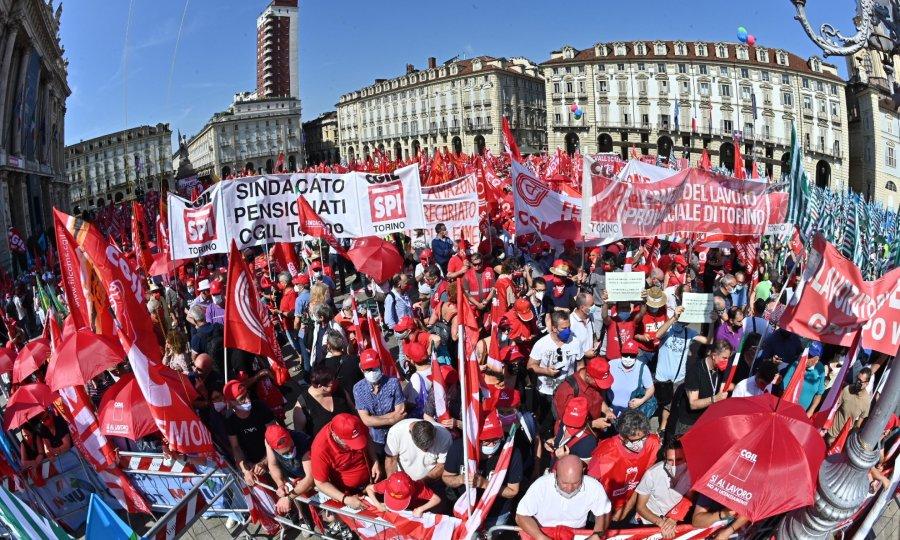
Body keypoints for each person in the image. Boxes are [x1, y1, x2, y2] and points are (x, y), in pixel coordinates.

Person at [444, 410, 523, 526]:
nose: (491, 445)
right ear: (475, 438)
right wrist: (461, 479)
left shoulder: (511, 453)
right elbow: (446, 477)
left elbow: (513, 491)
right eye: (486, 441)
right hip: (466, 511)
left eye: (495, 439)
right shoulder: (459, 448)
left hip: (495, 513)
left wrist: (485, 484)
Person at [587, 410, 661, 522]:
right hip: (605, 508)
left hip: (632, 501)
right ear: (622, 437)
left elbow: (645, 481)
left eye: (644, 437)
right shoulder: (604, 454)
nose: (642, 443)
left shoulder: (652, 444)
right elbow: (590, 489)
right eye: (636, 440)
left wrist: (627, 508)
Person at [516, 455, 611, 538]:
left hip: (575, 534)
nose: (569, 488)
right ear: (555, 475)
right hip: (543, 532)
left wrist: (596, 535)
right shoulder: (541, 485)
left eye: (576, 483)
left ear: (582, 474)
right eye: (564, 483)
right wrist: (541, 537)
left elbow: (604, 513)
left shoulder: (593, 486)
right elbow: (521, 516)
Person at [652, 305, 712, 432]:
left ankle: (663, 428)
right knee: (661, 403)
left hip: (678, 378)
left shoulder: (689, 333)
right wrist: (674, 317)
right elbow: (657, 335)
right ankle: (660, 426)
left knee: (670, 405)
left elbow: (708, 341)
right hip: (662, 377)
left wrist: (712, 323)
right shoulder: (668, 328)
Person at [311, 413, 381, 511]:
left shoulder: (355, 424)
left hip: (371, 480)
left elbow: (367, 439)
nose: (354, 447)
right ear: (335, 436)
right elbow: (320, 482)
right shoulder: (320, 448)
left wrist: (375, 460)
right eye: (349, 443)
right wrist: (346, 499)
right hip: (348, 493)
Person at [528, 312, 585, 429]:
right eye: (564, 328)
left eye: (569, 327)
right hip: (546, 392)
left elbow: (580, 365)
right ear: (554, 328)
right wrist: (546, 371)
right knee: (546, 423)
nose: (568, 331)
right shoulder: (541, 343)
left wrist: (579, 385)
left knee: (564, 422)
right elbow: (530, 366)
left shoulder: (575, 342)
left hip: (567, 391)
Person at [669, 340, 734, 439]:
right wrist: (715, 399)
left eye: (728, 358)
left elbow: (725, 385)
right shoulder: (695, 371)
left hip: (706, 419)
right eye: (724, 358)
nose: (726, 361)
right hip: (689, 422)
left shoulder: (720, 369)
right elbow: (693, 404)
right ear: (714, 355)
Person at [353, 349, 406, 457]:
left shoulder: (393, 383)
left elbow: (400, 412)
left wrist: (375, 418)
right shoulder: (358, 388)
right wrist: (392, 419)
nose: (372, 372)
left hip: (395, 434)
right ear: (361, 368)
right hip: (375, 439)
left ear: (380, 365)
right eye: (368, 369)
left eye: (375, 368)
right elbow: (366, 420)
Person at [635, 440, 693, 536]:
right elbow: (640, 507)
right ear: (665, 457)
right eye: (670, 460)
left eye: (679, 460)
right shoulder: (652, 474)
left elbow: (689, 499)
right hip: (647, 523)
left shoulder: (691, 473)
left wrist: (674, 517)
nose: (674, 465)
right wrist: (661, 523)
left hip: (674, 522)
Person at [223, 380, 276, 485]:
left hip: (273, 456)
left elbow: (274, 437)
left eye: (247, 394)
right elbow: (236, 447)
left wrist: (265, 461)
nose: (247, 400)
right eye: (241, 399)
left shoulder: (260, 407)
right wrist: (245, 469)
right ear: (231, 403)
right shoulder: (230, 420)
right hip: (252, 464)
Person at [551, 357, 614, 433]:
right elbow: (566, 422)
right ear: (587, 376)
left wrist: (607, 411)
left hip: (594, 433)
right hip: (574, 439)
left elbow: (599, 399)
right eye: (599, 383)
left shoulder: (594, 381)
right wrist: (593, 424)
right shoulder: (567, 390)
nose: (601, 386)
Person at [293, 363, 356, 435]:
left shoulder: (338, 390)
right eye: (332, 384)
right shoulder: (302, 406)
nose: (336, 383)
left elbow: (352, 408)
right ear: (320, 386)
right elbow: (300, 433)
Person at [265, 424, 314, 515]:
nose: (291, 452)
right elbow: (273, 465)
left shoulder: (302, 440)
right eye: (286, 452)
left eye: (291, 447)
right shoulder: (269, 443)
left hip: (313, 476)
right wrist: (280, 485)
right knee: (305, 508)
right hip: (296, 477)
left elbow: (310, 477)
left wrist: (289, 498)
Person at [385, 419, 451, 482]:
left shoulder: (444, 436)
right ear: (410, 434)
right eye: (422, 448)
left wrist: (420, 483)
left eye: (428, 447)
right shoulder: (396, 432)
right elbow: (391, 460)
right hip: (402, 482)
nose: (425, 451)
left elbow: (441, 465)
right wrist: (392, 483)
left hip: (430, 481)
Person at [826, 367, 873, 444]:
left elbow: (857, 426)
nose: (857, 382)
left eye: (861, 381)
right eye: (857, 379)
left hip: (842, 440)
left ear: (866, 384)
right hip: (830, 433)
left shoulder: (866, 402)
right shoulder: (847, 389)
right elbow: (834, 408)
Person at [779, 340, 827, 415]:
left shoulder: (820, 369)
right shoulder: (796, 364)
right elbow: (783, 388)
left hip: (803, 414)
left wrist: (811, 411)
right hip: (786, 409)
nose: (807, 357)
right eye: (807, 353)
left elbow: (819, 394)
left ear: (817, 359)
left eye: (811, 356)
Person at [607, 344, 656, 417]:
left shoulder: (642, 368)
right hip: (611, 409)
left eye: (632, 355)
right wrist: (605, 408)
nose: (628, 358)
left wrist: (641, 401)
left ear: (637, 355)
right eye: (625, 355)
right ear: (621, 353)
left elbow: (650, 388)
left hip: (631, 412)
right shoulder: (611, 364)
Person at [365, 471, 441, 517]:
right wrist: (378, 505)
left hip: (412, 509)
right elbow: (369, 488)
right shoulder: (386, 484)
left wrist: (420, 509)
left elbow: (436, 499)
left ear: (412, 491)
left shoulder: (418, 487)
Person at [548, 396, 598, 462]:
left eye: (576, 424)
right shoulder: (564, 421)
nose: (570, 428)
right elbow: (560, 438)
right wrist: (552, 440)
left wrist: (565, 459)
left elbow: (583, 467)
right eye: (569, 421)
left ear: (586, 419)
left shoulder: (589, 442)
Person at [569, 292, 597, 360]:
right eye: (592, 305)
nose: (594, 306)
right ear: (582, 307)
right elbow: (568, 346)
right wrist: (584, 354)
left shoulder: (591, 316)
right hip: (578, 360)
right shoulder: (570, 322)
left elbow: (593, 334)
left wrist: (596, 344)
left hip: (591, 358)